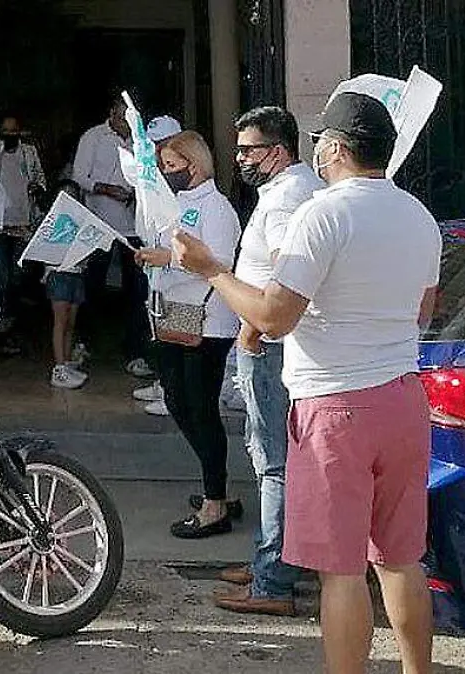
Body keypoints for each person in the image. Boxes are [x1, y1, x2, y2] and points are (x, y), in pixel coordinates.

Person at [174, 92, 441, 674]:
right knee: (401, 559)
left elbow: (272, 317)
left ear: (337, 148)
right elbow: (422, 310)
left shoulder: (322, 213)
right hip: (402, 397)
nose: (315, 147)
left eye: (321, 138)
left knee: (341, 571)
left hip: (333, 407)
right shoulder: (418, 216)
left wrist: (211, 270)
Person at [212, 106, 322, 617]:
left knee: (273, 465)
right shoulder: (294, 190)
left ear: (277, 151)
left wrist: (254, 333)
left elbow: (287, 279)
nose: (239, 159)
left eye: (248, 150)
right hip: (276, 345)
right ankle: (271, 560)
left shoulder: (285, 201)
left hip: (270, 346)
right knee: (278, 463)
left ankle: (273, 580)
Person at [134, 130, 241, 539]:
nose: (167, 173)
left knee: (201, 409)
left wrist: (168, 259)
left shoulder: (216, 208)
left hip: (207, 321)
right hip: (170, 316)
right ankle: (216, 485)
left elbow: (219, 263)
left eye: (172, 166)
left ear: (193, 166)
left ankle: (215, 502)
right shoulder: (173, 205)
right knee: (179, 403)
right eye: (163, 167)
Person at [73, 94, 152, 378]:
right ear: (111, 113)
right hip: (99, 225)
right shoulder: (93, 137)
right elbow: (79, 176)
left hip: (135, 228)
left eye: (132, 119)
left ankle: (136, 352)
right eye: (122, 117)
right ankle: (84, 343)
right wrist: (108, 189)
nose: (127, 124)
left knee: (137, 292)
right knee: (91, 287)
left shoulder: (142, 141)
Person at [131, 115, 184, 408]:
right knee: (158, 326)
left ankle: (171, 392)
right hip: (157, 267)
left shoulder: (182, 184)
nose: (156, 152)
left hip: (179, 277)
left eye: (161, 145)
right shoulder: (151, 175)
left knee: (176, 334)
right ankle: (163, 383)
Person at [0, 113, 47, 324]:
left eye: (14, 131)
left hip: (23, 223)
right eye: (6, 132)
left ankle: (14, 314)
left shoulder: (28, 152)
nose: (10, 136)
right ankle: (4, 317)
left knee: (17, 274)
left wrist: (37, 188)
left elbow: (40, 178)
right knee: (2, 277)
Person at [46, 180, 91, 390]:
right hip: (58, 274)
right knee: (60, 321)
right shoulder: (50, 220)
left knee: (71, 322)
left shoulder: (82, 220)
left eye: (72, 194)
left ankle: (66, 362)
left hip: (76, 274)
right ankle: (59, 368)